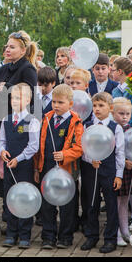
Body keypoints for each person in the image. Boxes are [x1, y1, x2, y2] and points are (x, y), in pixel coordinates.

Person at [34, 84, 84, 250]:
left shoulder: (75, 122)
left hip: (66, 171)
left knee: (67, 207)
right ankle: (48, 237)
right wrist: (37, 168)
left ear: (70, 104)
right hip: (46, 168)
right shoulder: (46, 118)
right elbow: (39, 145)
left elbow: (79, 147)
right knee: (47, 205)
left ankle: (65, 237)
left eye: (60, 102)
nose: (56, 105)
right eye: (54, 102)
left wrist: (65, 155)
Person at [80, 92, 124, 254]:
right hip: (91, 170)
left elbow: (120, 152)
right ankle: (91, 235)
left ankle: (110, 238)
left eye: (101, 106)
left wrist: (119, 175)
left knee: (111, 204)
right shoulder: (87, 126)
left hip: (109, 170)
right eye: (95, 106)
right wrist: (89, 158)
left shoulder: (115, 128)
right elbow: (83, 149)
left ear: (110, 108)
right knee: (91, 204)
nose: (97, 109)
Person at [0, 83, 40, 249]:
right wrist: (2, 151)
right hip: (9, 166)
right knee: (10, 198)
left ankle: (24, 234)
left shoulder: (33, 120)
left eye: (19, 98)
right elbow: (2, 141)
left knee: (24, 199)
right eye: (13, 98)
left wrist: (19, 158)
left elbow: (33, 146)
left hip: (24, 167)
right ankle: (11, 233)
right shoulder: (6, 119)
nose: (15, 101)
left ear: (28, 100)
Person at [112, 97, 132, 247]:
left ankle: (125, 231)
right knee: (117, 202)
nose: (124, 117)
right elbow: (112, 152)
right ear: (113, 113)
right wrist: (125, 163)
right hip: (119, 171)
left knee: (125, 201)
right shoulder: (111, 129)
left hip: (131, 171)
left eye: (127, 114)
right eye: (121, 113)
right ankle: (116, 232)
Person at [0, 31, 38, 119]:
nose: (7, 49)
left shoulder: (28, 69)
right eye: (6, 46)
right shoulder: (3, 68)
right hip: (2, 119)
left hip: (19, 121)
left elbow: (31, 98)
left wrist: (8, 87)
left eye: (12, 47)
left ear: (23, 50)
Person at [111, 57, 132, 127]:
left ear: (120, 71)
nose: (111, 73)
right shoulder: (115, 91)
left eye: (113, 70)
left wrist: (127, 127)